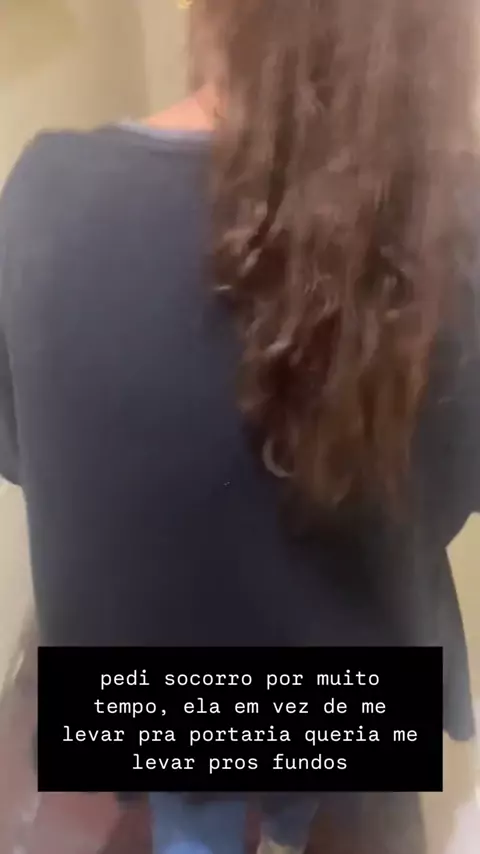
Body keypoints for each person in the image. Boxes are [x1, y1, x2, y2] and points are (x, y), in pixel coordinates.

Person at [1, 1, 479, 853]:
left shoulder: (42, 196)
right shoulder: (452, 228)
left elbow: (26, 455)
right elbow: (444, 496)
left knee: (195, 814)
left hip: (141, 710)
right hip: (347, 707)